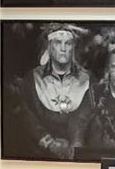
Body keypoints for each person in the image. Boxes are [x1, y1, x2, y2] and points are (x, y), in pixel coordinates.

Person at [6, 25, 91, 159]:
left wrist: (75, 146)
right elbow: (26, 117)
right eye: (58, 43)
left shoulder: (89, 80)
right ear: (49, 47)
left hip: (77, 159)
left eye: (68, 44)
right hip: (39, 157)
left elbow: (91, 119)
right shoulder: (32, 79)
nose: (63, 48)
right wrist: (49, 143)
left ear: (73, 48)